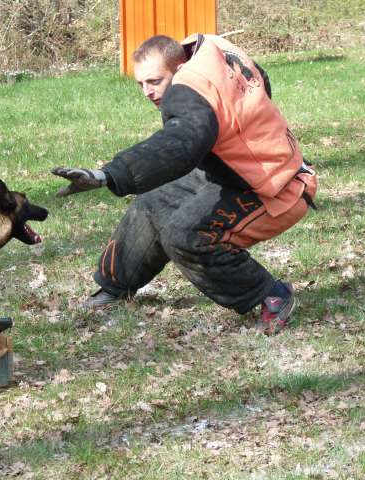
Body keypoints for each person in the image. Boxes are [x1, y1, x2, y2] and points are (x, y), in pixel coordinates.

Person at [52, 34, 317, 334]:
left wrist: (109, 175)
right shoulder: (211, 47)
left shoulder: (188, 91)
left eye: (154, 81)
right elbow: (261, 79)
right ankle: (116, 287)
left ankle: (273, 295)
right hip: (235, 171)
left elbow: (180, 144)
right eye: (141, 84)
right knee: (153, 200)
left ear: (178, 69)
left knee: (185, 236)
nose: (147, 92)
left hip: (277, 187)